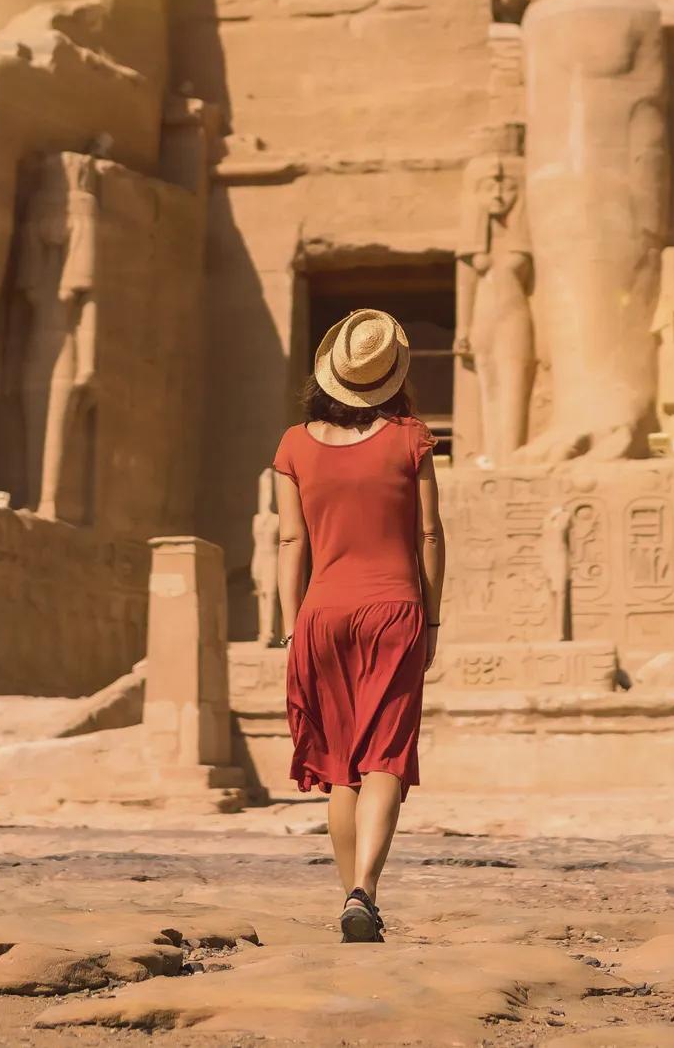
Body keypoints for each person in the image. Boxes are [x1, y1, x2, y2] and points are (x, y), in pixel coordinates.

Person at [268, 307, 446, 943]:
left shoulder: (293, 445)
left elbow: (291, 541)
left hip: (321, 614)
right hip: (393, 610)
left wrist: (291, 628)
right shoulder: (411, 438)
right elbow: (428, 532)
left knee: (340, 765)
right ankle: (363, 892)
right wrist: (432, 618)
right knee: (386, 757)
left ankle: (353, 896)